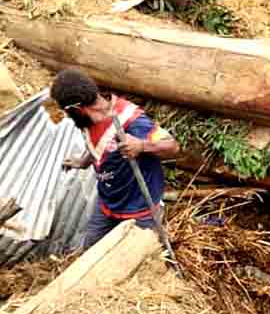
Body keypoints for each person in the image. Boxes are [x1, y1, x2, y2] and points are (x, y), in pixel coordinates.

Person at [52, 69, 179, 248]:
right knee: (90, 252)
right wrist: (83, 162)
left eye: (67, 112)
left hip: (140, 209)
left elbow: (172, 146)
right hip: (107, 204)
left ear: (76, 108)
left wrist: (142, 146)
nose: (67, 117)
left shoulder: (131, 120)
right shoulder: (87, 121)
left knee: (138, 258)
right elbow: (100, 145)